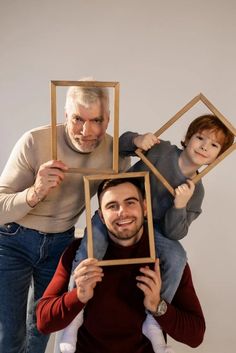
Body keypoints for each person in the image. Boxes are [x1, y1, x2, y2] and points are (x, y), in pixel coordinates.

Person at [57, 114, 234, 353]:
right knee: (93, 243)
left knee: (177, 255)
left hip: (154, 231)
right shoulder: (163, 152)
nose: (204, 146)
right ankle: (74, 316)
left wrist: (179, 205)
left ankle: (152, 320)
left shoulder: (196, 192)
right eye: (200, 138)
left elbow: (175, 233)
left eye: (213, 145)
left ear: (219, 156)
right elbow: (120, 145)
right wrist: (137, 140)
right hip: (120, 217)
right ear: (187, 138)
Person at [0, 81, 130, 353]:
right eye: (78, 119)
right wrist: (35, 191)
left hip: (61, 243)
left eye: (97, 120)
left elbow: (117, 206)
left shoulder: (113, 153)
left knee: (43, 326)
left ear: (108, 118)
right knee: (9, 333)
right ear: (65, 116)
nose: (87, 131)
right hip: (13, 240)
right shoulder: (35, 141)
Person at [36, 178, 206, 353]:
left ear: (145, 207)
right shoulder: (81, 252)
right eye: (112, 206)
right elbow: (43, 321)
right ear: (101, 216)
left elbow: (195, 336)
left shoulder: (166, 258)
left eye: (130, 202)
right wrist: (78, 296)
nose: (122, 212)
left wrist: (158, 306)